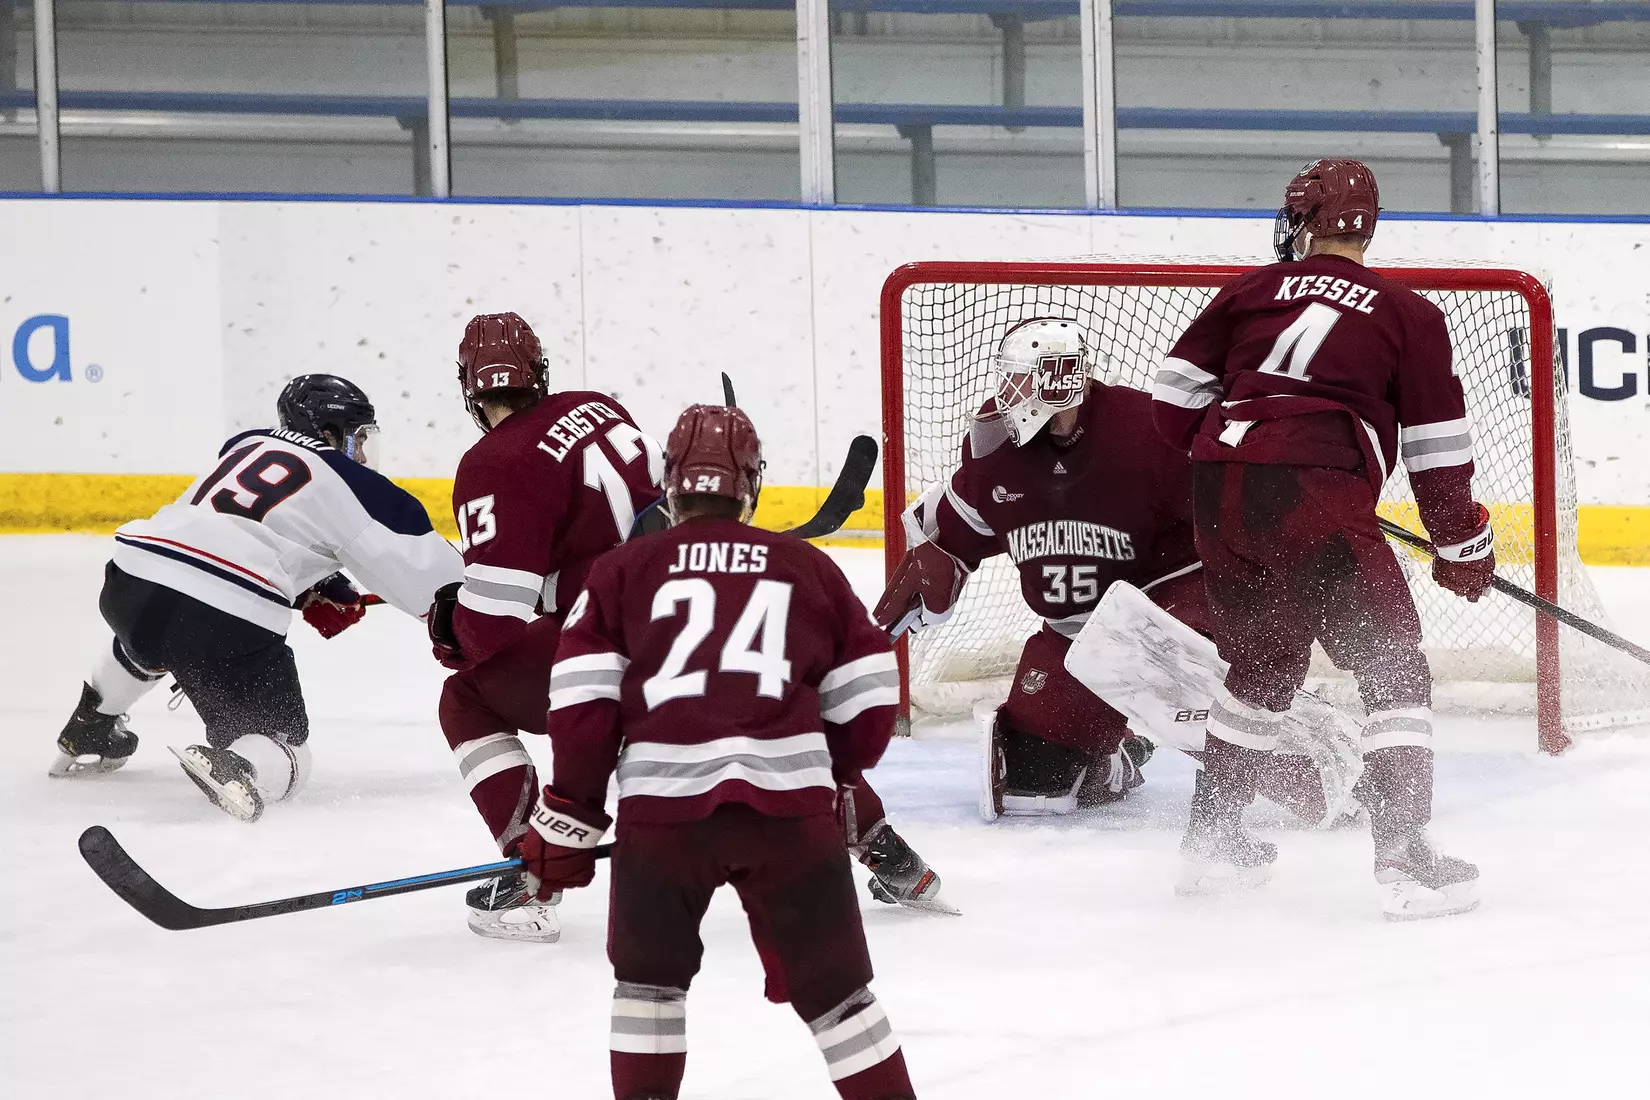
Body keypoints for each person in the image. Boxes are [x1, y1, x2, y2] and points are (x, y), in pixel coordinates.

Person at [515, 403, 915, 1100]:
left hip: (662, 823)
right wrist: (840, 775)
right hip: (789, 818)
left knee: (648, 988)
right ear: (750, 485)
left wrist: (571, 816)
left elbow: (581, 705)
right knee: (841, 997)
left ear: (671, 483)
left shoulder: (620, 570)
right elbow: (871, 693)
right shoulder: (806, 567)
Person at [1150, 158, 1493, 919]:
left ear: (1303, 220)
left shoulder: (1249, 292)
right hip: (1314, 497)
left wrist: (1252, 448)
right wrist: (1462, 546)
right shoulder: (1409, 314)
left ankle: (1212, 844)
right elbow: (1436, 453)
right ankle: (1406, 858)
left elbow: (1170, 408)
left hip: (1221, 492)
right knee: (1393, 669)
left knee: (1261, 665)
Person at [873, 318, 1350, 832]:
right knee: (1035, 783)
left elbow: (1236, 505)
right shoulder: (996, 448)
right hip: (1075, 637)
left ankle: (1327, 759)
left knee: (1156, 657)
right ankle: (1117, 752)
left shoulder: (1147, 430)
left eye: (1020, 380)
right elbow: (951, 522)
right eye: (1007, 379)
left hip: (1172, 610)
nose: (1008, 394)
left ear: (1058, 379)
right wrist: (939, 558)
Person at [51, 375, 462, 823]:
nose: (362, 452)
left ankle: (91, 722)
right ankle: (240, 765)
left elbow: (241, 530)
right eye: (357, 436)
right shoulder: (355, 482)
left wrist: (313, 588)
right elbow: (437, 584)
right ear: (328, 433)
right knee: (287, 747)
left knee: (158, 631)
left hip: (131, 580)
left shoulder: (244, 448)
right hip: (218, 615)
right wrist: (503, 600)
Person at [430, 311, 663, 943]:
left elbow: (497, 618)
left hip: (610, 650)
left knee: (466, 697)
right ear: (540, 373)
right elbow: (649, 522)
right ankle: (879, 844)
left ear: (468, 388)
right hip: (686, 623)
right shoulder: (600, 408)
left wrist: (452, 626)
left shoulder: (492, 463)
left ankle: (530, 874)